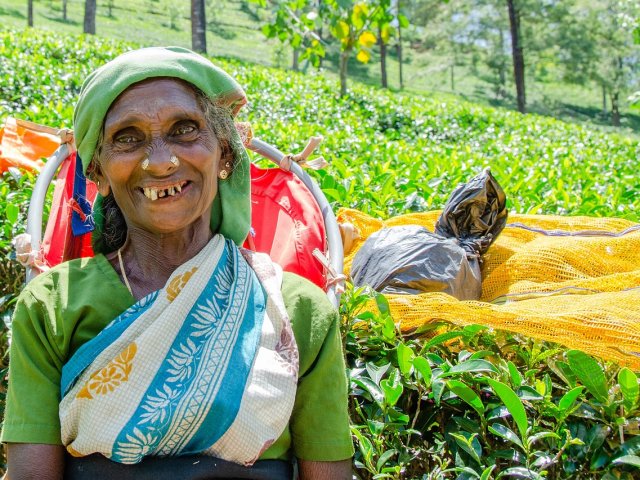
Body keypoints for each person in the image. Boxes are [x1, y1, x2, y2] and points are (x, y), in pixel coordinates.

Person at [1, 47, 353, 480]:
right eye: (128, 138)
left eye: (185, 130)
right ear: (99, 174)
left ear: (225, 156)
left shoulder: (298, 309)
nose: (162, 160)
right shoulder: (53, 304)